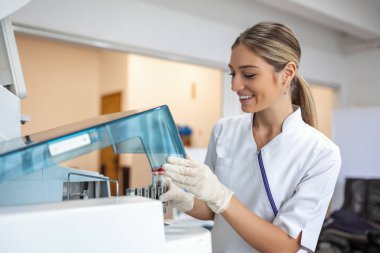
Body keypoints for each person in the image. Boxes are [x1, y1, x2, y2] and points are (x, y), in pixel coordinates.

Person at [160, 22, 341, 253]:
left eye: (249, 74)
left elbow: (286, 246)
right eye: (232, 73)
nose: (235, 85)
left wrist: (222, 196)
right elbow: (211, 209)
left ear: (287, 73)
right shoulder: (224, 130)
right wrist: (183, 200)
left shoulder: (321, 153)